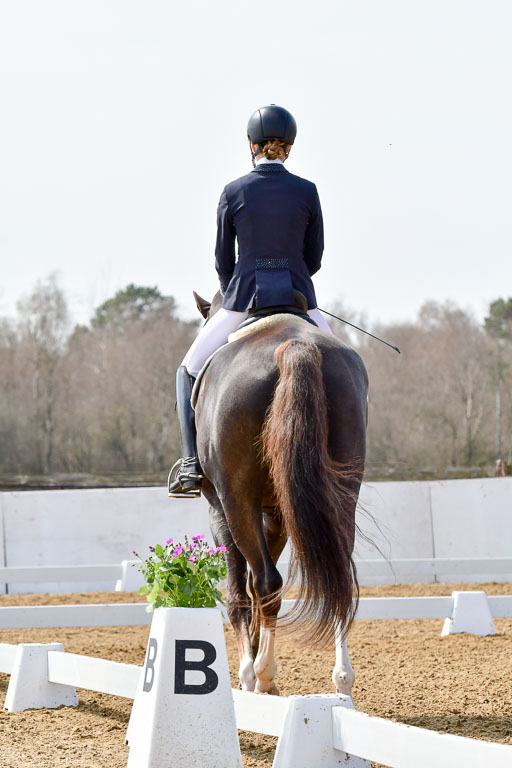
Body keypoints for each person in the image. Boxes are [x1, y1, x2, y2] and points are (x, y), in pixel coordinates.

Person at [168, 104, 333, 497]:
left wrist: (235, 292)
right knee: (350, 366)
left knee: (187, 371)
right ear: (288, 147)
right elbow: (315, 258)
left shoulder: (234, 191)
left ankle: (191, 464)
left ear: (251, 145)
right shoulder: (307, 191)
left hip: (245, 299)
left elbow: (223, 260)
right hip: (299, 298)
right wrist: (292, 278)